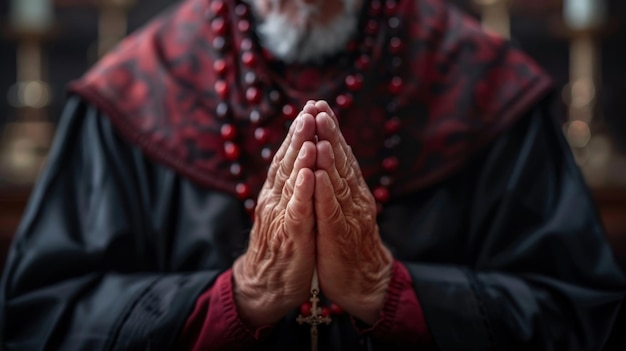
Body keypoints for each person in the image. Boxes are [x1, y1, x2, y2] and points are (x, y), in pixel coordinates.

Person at [1, 0, 625, 349]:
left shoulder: (484, 85)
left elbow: (584, 319)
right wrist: (238, 299)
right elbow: (41, 320)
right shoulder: (138, 89)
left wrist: (393, 293)